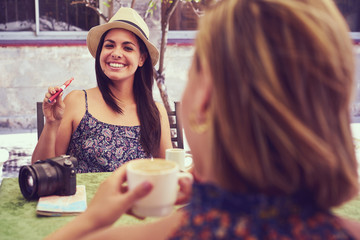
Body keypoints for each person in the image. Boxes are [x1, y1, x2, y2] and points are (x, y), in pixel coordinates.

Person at [46, 0, 360, 238]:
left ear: (204, 98)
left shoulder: (188, 228)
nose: (116, 53)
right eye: (109, 45)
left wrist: (92, 220)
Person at [31, 8, 172, 172]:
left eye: (127, 48)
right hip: (84, 198)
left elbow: (168, 173)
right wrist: (51, 124)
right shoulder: (76, 101)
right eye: (109, 45)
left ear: (141, 58)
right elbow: (41, 171)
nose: (116, 53)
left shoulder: (155, 112)